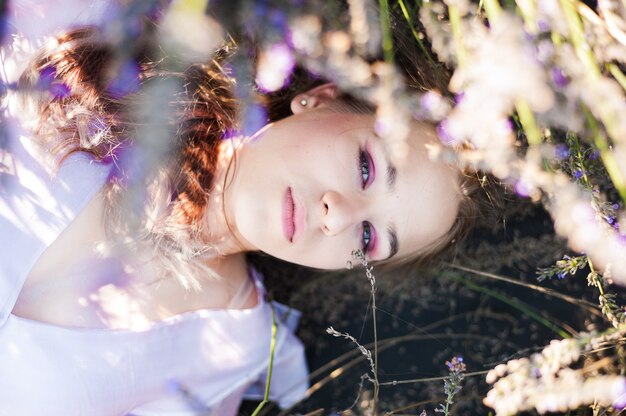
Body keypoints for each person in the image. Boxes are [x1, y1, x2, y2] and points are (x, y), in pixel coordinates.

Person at [0, 0, 483, 414]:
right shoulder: (107, 39)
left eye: (369, 237)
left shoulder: (231, 347)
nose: (339, 215)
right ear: (320, 99)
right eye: (365, 168)